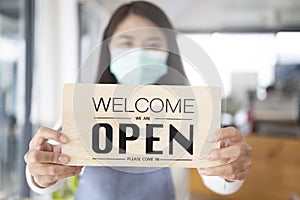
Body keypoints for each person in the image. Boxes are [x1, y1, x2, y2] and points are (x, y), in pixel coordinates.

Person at [24, 2, 252, 199]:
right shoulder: (81, 109)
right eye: (126, 43)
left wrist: (229, 167)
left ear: (168, 52)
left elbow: (219, 179)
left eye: (152, 44)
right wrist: (41, 173)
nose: (139, 53)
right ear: (108, 49)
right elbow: (50, 173)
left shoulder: (191, 111)